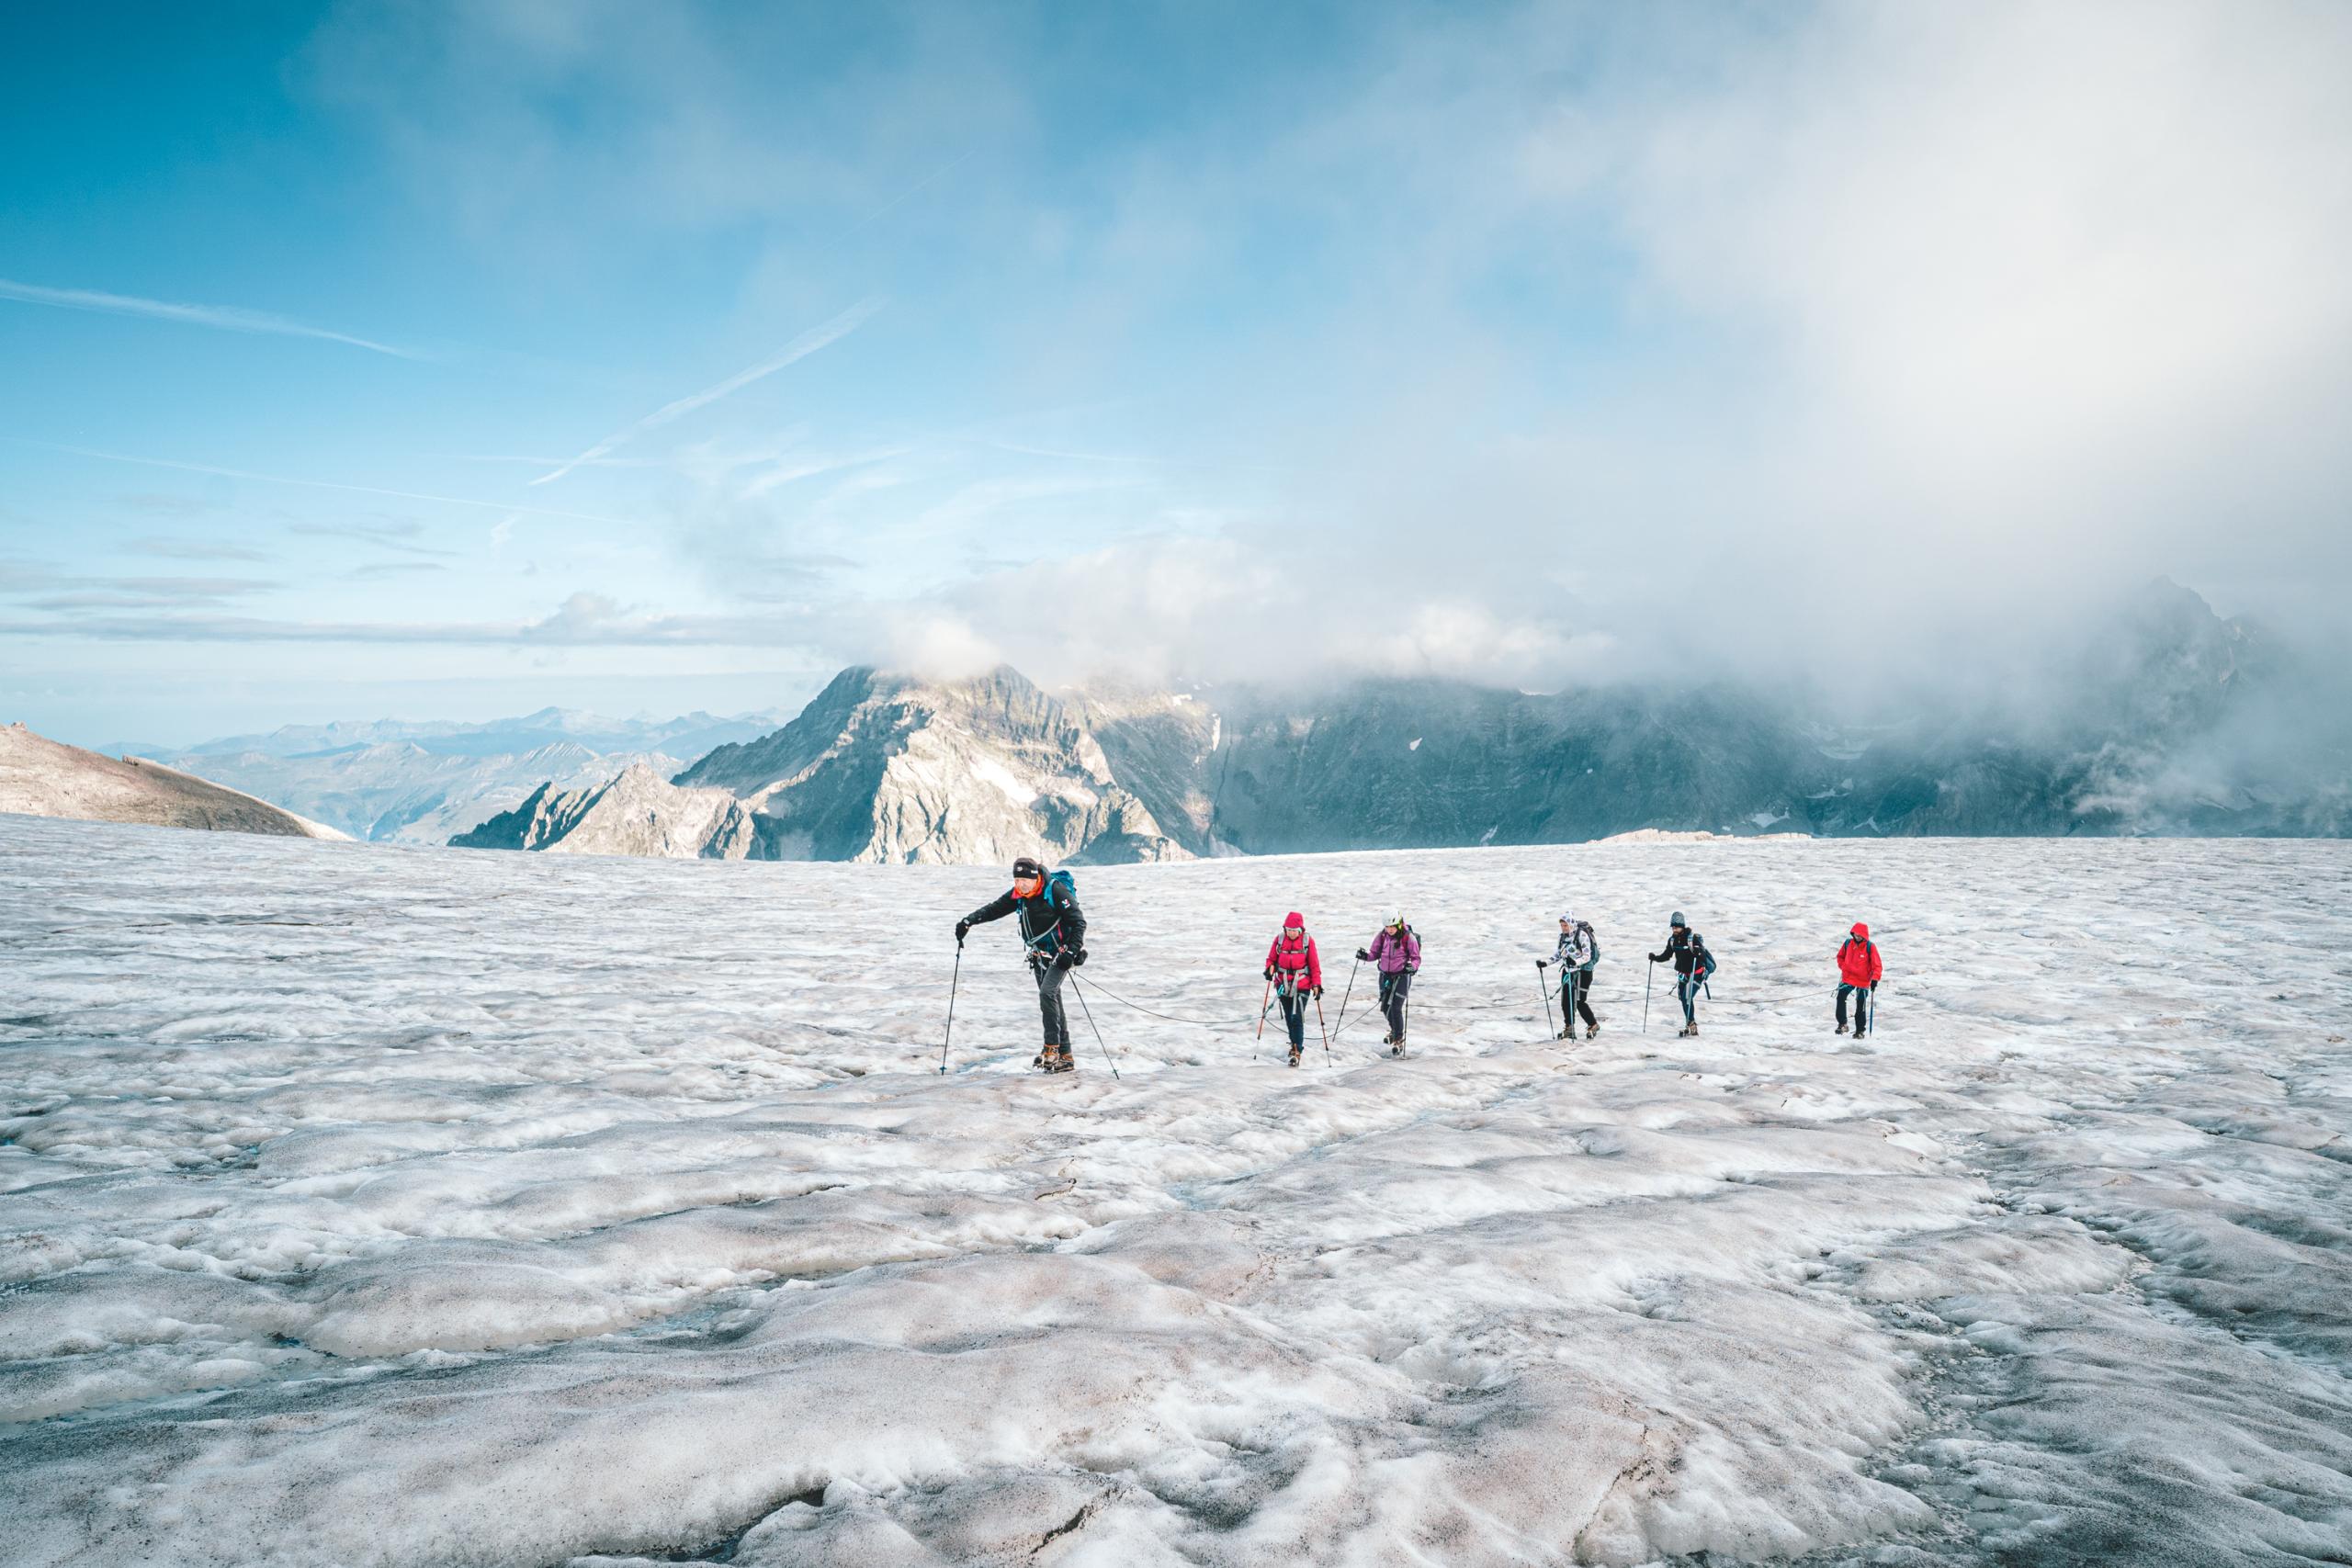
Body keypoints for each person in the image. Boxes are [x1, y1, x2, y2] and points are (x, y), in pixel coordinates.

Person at [956, 855, 1089, 1073]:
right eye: (1016, 880)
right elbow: (994, 909)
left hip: (1061, 952)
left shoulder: (1055, 891)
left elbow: (1078, 921)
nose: (1020, 885)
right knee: (1052, 999)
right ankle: (1066, 1057)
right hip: (1039, 955)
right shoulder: (1018, 895)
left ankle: (1051, 1049)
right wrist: (968, 921)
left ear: (1035, 878)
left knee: (1047, 993)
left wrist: (1072, 951)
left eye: (1024, 880)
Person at [1263, 911, 1324, 1066]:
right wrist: (1269, 969)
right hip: (1283, 985)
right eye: (1288, 929)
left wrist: (1316, 985)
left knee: (1297, 1016)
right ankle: (1294, 1045)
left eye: (1294, 930)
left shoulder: (1307, 942)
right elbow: (1271, 959)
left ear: (1300, 930)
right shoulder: (1279, 940)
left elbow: (1314, 965)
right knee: (1290, 1017)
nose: (1290, 933)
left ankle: (1297, 1050)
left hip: (1302, 985)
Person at [1356, 911, 1420, 1056]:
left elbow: (1416, 958)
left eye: (1392, 926)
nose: (1389, 929)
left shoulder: (1408, 938)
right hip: (1385, 976)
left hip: (1402, 976)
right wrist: (1365, 956)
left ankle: (1398, 1039)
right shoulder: (1382, 936)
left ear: (1398, 924)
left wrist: (1413, 967)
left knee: (1395, 1008)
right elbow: (1374, 953)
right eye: (1387, 927)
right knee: (1385, 1007)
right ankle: (1394, 1030)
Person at [1647, 911, 1715, 1037]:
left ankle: (1691, 1024)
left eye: (1676, 926)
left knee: (1686, 997)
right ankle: (1690, 1023)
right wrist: (1655, 958)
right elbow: (1667, 955)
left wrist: (1698, 952)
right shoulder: (1673, 940)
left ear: (1682, 926)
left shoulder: (1691, 939)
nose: (1674, 928)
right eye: (1672, 926)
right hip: (1683, 975)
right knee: (1683, 999)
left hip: (1697, 974)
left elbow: (1702, 957)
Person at [1538, 911, 1600, 1040]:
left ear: (1571, 924)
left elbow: (1587, 956)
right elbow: (1558, 954)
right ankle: (1569, 1028)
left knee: (1579, 1001)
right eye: (1562, 925)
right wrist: (1545, 963)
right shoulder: (1562, 937)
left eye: (1565, 925)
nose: (1564, 928)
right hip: (1568, 971)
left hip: (1583, 972)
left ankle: (1593, 1025)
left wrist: (1576, 962)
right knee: (1566, 1001)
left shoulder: (1582, 935)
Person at [1837, 921, 1883, 1037]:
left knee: (1860, 1004)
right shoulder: (1848, 943)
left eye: (1860, 935)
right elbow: (1840, 956)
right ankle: (1843, 1024)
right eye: (1856, 934)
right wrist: (1844, 967)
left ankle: (1860, 1031)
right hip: (1848, 978)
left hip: (1863, 981)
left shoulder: (1870, 947)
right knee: (1841, 997)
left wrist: (1875, 980)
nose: (1857, 937)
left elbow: (1877, 965)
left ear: (1864, 935)